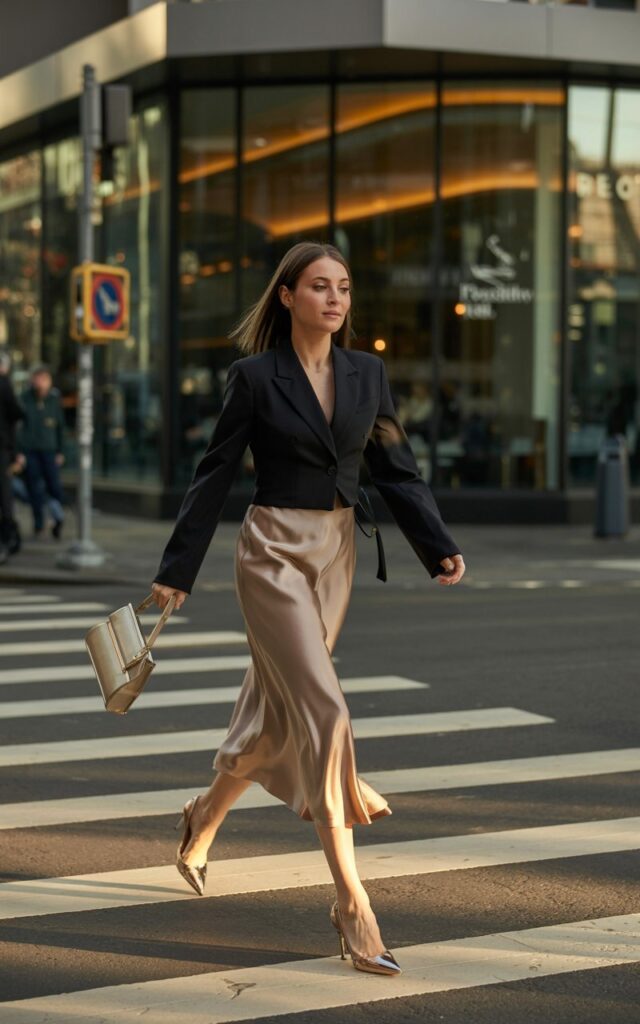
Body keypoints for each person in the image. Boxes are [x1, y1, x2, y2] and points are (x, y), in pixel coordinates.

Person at [151, 241, 465, 977]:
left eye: (344, 288)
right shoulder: (255, 377)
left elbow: (394, 466)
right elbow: (214, 473)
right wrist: (177, 572)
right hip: (271, 556)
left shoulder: (368, 374)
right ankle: (352, 904)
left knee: (270, 714)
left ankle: (201, 819)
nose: (335, 299)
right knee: (325, 715)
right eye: (320, 286)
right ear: (287, 296)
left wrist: (436, 544)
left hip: (335, 558)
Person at [15, 364, 66, 540]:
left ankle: (58, 520)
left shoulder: (54, 399)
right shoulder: (24, 399)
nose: (41, 383)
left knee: (54, 487)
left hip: (50, 451)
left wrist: (61, 451)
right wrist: (19, 451)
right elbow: (18, 428)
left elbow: (60, 427)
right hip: (30, 451)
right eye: (37, 379)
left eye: (44, 379)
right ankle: (39, 523)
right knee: (35, 489)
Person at [0, 350, 25, 560]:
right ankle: (8, 538)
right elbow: (17, 413)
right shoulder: (4, 384)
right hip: (3, 450)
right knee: (5, 496)